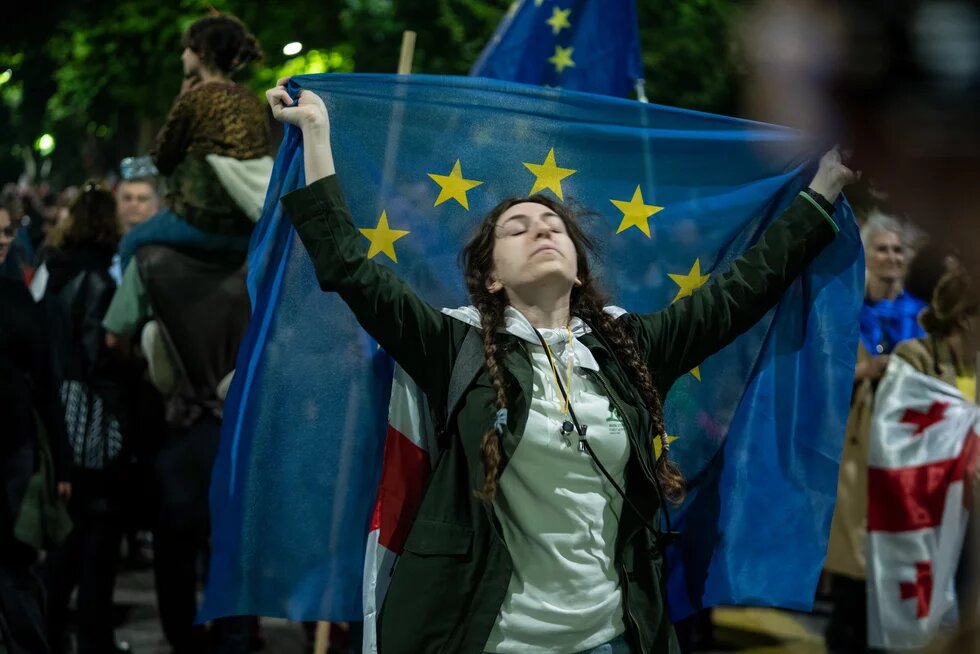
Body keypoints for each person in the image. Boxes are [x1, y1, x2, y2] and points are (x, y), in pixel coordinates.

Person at [266, 79, 859, 654]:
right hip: (485, 637)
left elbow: (744, 290)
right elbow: (348, 265)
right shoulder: (454, 344)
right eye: (517, 228)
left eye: (553, 226)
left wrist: (828, 181)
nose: (541, 230)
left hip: (614, 635)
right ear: (492, 277)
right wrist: (316, 132)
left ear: (578, 268)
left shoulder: (632, 346)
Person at [824, 210, 927, 652]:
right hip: (856, 443)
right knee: (855, 549)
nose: (890, 256)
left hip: (910, 446)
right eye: (882, 248)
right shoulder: (848, 308)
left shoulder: (923, 314)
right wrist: (870, 368)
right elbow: (828, 370)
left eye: (898, 249)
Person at [36, 182, 130, 654]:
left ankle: (51, 631)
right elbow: (99, 356)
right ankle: (95, 639)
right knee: (95, 541)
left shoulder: (53, 271)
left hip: (58, 411)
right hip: (91, 418)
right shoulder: (97, 279)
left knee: (62, 542)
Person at [117, 13, 272, 270]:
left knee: (129, 244)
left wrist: (180, 98)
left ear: (200, 53)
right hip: (248, 225)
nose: (182, 57)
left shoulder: (194, 100)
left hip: (202, 225)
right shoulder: (252, 101)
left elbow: (162, 160)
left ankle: (140, 312)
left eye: (186, 50)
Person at [0, 201, 72, 654]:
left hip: (14, 452)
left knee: (17, 558)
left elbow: (47, 381)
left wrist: (61, 463)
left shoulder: (16, 296)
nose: (3, 241)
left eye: (6, 231)